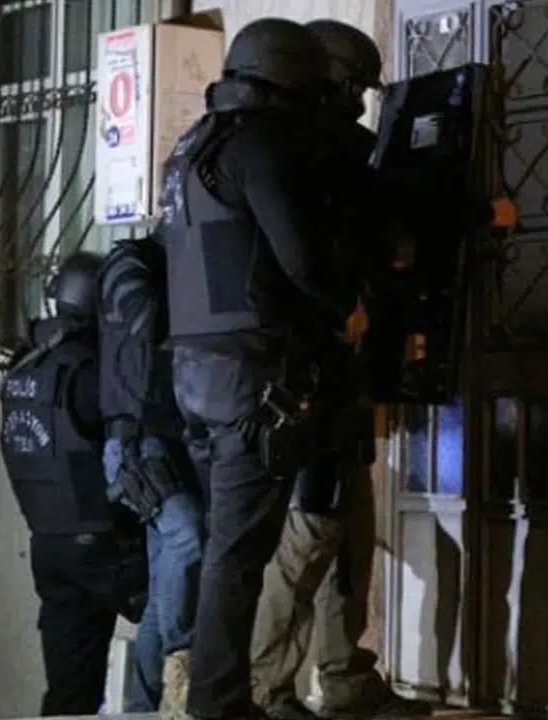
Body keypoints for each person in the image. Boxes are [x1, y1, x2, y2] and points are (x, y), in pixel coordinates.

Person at [159, 16, 368, 720]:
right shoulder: (260, 146)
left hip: (197, 375)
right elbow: (300, 257)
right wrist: (346, 305)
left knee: (228, 545)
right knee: (240, 554)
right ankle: (220, 702)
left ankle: (219, 696)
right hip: (253, 379)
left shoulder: (192, 148)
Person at [248, 19, 431, 720]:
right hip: (309, 376)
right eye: (354, 85)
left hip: (336, 374)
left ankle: (344, 673)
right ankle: (267, 687)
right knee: (309, 532)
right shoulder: (305, 148)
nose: (359, 100)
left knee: (346, 528)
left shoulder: (303, 147)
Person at [0, 251, 147, 716]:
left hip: (49, 548)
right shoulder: (89, 371)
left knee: (69, 697)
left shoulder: (24, 369)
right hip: (103, 545)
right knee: (188, 610)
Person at [97, 232, 205, 715]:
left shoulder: (167, 268)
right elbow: (147, 319)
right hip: (138, 442)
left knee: (165, 586)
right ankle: (180, 659)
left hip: (171, 440)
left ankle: (143, 705)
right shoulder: (130, 262)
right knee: (188, 538)